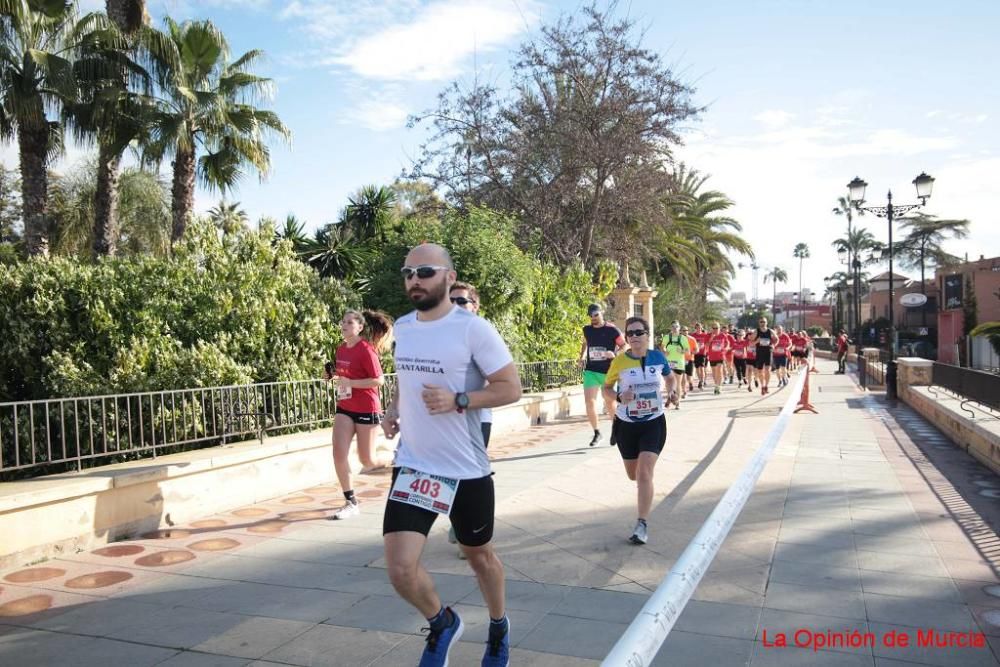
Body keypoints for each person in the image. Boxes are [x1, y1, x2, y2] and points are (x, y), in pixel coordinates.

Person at [381, 243, 522, 667]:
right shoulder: (403, 327)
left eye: (424, 271)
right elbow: (405, 381)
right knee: (401, 570)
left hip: (465, 469)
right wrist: (392, 410)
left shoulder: (473, 329)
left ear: (447, 275)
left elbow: (510, 388)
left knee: (481, 557)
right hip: (415, 465)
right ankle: (442, 622)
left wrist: (459, 399)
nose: (414, 280)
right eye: (408, 272)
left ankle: (498, 629)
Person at [602, 316, 669, 545]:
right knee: (634, 475)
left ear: (648, 334)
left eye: (638, 332)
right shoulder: (619, 362)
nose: (633, 337)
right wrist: (620, 397)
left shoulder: (658, 357)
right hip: (627, 425)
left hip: (654, 422)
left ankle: (642, 524)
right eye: (629, 334)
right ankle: (644, 488)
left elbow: (670, 377)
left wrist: (674, 391)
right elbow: (606, 389)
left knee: (643, 473)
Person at [325, 309, 394, 520]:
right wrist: (331, 375)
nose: (344, 325)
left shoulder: (366, 350)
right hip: (345, 406)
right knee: (338, 453)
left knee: (368, 460)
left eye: (349, 322)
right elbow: (345, 376)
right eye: (343, 322)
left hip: (366, 408)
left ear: (360, 328)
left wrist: (351, 383)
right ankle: (350, 501)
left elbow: (378, 380)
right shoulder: (341, 349)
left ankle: (396, 458)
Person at [578, 304, 626, 447]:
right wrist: (581, 357)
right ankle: (597, 433)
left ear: (601, 313)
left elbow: (625, 346)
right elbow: (585, 343)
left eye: (596, 315)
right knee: (589, 402)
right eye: (591, 316)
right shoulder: (587, 330)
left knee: (610, 404)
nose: (593, 318)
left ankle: (617, 429)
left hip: (608, 372)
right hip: (591, 370)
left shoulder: (612, 330)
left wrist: (615, 354)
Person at [659, 321, 689, 408]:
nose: (675, 328)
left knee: (678, 383)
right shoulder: (667, 337)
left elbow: (687, 350)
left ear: (679, 328)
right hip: (668, 363)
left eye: (676, 326)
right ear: (671, 328)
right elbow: (662, 347)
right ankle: (670, 397)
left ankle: (677, 402)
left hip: (679, 363)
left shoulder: (683, 338)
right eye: (673, 326)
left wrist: (682, 351)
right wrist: (664, 351)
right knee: (668, 382)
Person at [749, 317, 777, 395]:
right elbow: (750, 343)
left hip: (768, 352)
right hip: (759, 353)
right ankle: (762, 386)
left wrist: (774, 345)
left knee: (768, 370)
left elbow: (777, 339)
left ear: (766, 323)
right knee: (760, 371)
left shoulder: (770, 331)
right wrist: (757, 341)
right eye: (761, 322)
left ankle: (766, 386)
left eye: (764, 322)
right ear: (759, 323)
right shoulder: (756, 331)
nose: (762, 323)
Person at [705, 322, 731, 395]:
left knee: (719, 370)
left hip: (720, 356)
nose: (715, 330)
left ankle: (719, 386)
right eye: (714, 328)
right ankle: (716, 385)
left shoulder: (723, 335)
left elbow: (727, 343)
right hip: (712, 356)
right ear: (711, 329)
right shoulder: (708, 335)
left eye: (717, 328)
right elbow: (706, 345)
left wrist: (726, 348)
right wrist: (711, 338)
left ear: (719, 328)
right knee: (714, 372)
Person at [691, 322, 709, 390]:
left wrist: (706, 351)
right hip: (695, 354)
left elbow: (708, 343)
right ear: (695, 328)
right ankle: (700, 380)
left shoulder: (705, 335)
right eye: (697, 328)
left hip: (702, 354)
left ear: (701, 328)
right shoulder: (693, 336)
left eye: (700, 328)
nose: (698, 329)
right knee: (697, 368)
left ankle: (702, 382)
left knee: (702, 368)